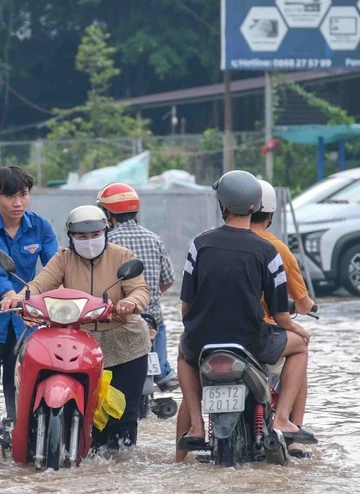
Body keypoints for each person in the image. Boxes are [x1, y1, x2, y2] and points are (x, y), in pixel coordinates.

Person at [174, 170, 315, 462]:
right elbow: (280, 315)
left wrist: (195, 329)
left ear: (223, 205)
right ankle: (283, 419)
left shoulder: (200, 244)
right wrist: (297, 330)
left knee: (182, 353)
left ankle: (197, 427)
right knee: (300, 348)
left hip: (203, 341)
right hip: (253, 341)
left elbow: (185, 307)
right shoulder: (268, 250)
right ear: (256, 207)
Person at [0, 205, 151, 449]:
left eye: (94, 235)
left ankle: (122, 466)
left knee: (123, 416)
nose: (88, 241)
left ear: (106, 231)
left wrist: (129, 303)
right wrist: (18, 298)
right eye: (81, 237)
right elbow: (38, 285)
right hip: (79, 342)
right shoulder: (63, 258)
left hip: (124, 342)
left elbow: (140, 290)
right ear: (71, 237)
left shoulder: (123, 256)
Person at [0, 166, 58, 440]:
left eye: (23, 195)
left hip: (27, 324)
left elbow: (55, 268)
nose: (17, 203)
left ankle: (20, 453)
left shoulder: (41, 227)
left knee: (22, 392)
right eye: (10, 197)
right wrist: (9, 295)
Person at [250, 179, 316, 458]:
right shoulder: (276, 249)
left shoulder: (213, 242)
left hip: (218, 334)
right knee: (301, 347)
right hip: (265, 336)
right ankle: (291, 430)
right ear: (271, 213)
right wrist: (307, 306)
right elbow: (301, 302)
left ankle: (194, 429)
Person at [97, 182, 178, 390]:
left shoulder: (106, 241)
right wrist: (150, 294)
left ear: (107, 214)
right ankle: (164, 371)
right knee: (159, 325)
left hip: (119, 317)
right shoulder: (154, 239)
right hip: (151, 315)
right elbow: (168, 280)